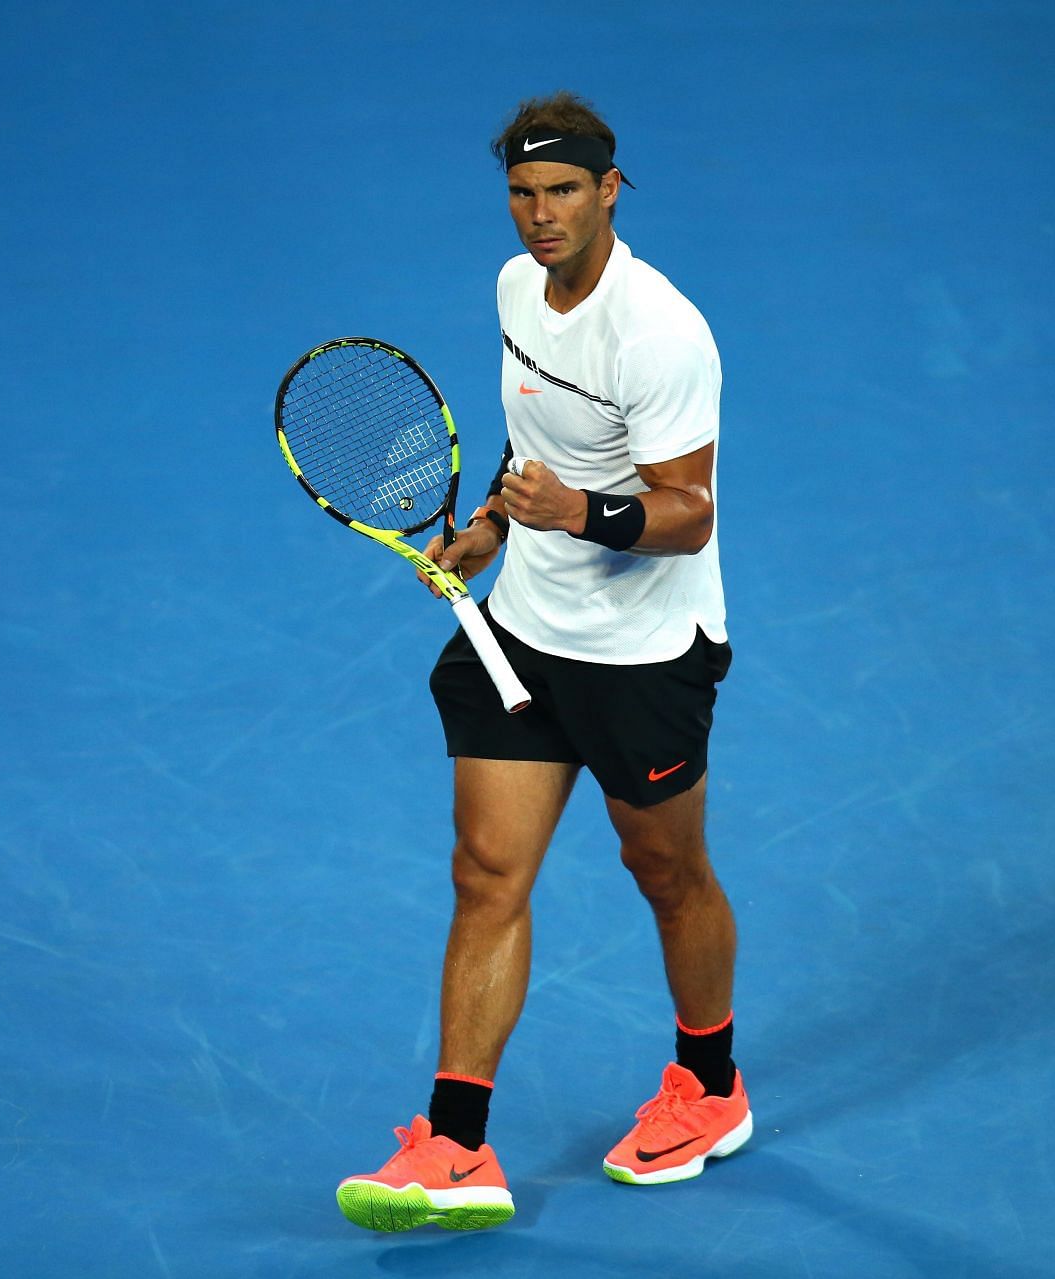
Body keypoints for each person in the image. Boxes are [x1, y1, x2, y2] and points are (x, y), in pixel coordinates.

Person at [335, 92, 748, 1234]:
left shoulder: (660, 330)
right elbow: (533, 436)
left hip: (641, 654)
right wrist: (496, 523)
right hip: (522, 629)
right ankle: (457, 1144)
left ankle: (710, 1085)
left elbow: (689, 514)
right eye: (523, 194)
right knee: (485, 872)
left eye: (563, 191)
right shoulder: (518, 288)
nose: (541, 217)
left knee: (666, 873)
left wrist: (577, 509)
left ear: (611, 189)